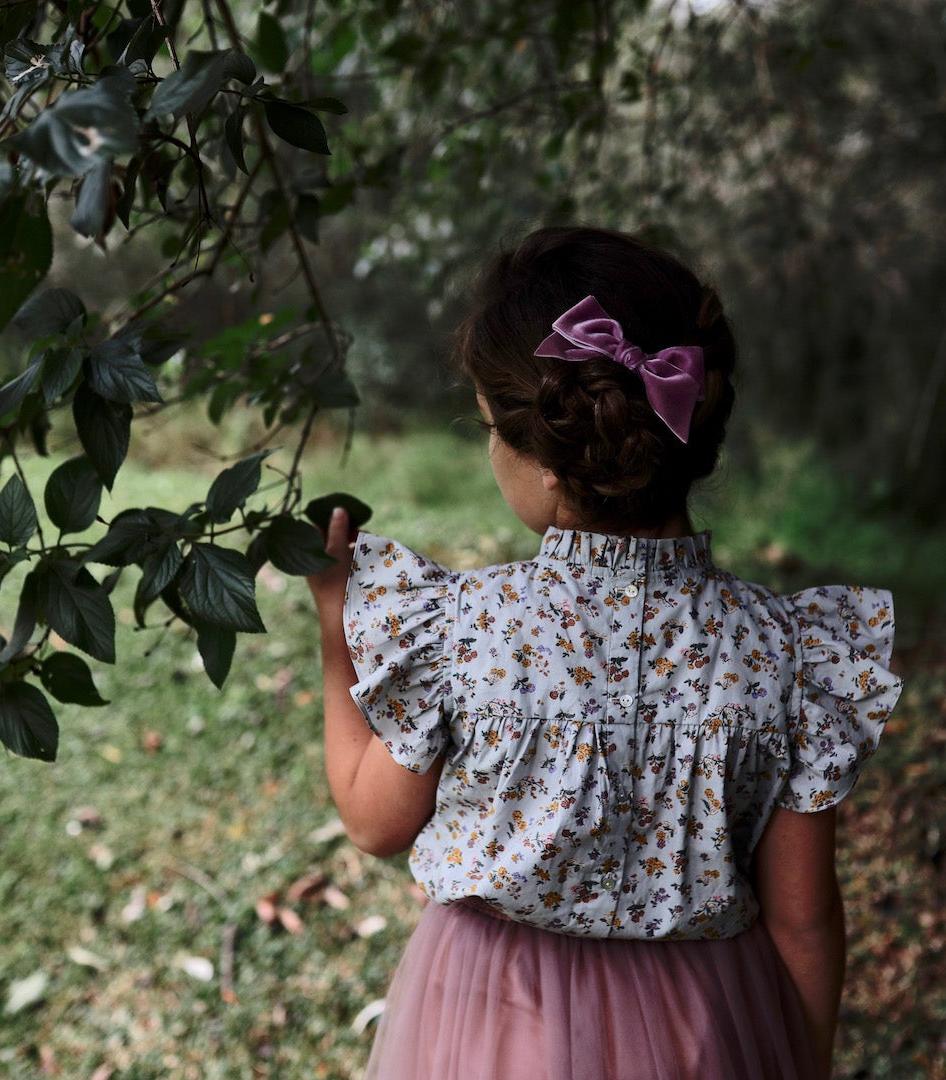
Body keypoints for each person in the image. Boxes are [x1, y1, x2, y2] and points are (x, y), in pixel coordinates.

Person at [305, 226, 903, 1079]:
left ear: (546, 461)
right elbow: (804, 922)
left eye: (488, 426)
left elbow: (373, 821)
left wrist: (337, 627)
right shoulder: (787, 655)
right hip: (705, 1028)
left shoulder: (466, 628)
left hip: (493, 1019)